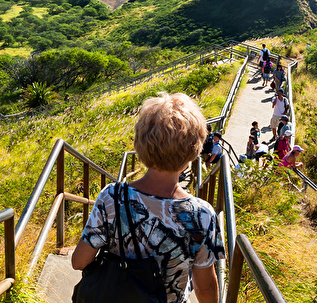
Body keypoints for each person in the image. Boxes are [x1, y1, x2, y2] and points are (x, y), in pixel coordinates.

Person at [72, 92, 224, 303]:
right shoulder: (202, 215)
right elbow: (205, 287)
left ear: (140, 144)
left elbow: (79, 261)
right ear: (192, 154)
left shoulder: (112, 196)